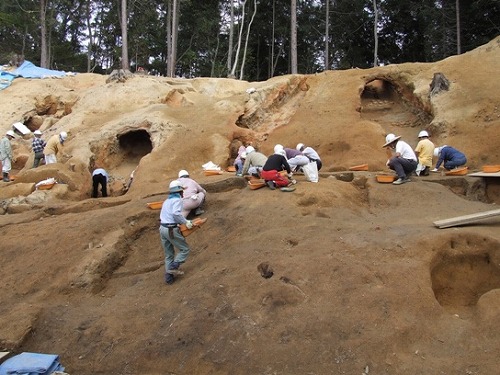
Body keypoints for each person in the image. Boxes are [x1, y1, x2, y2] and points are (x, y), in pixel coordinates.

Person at [159, 180, 194, 285]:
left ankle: (169, 278)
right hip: (171, 229)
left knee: (169, 254)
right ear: (179, 191)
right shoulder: (177, 200)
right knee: (185, 249)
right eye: (182, 191)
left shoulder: (166, 201)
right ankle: (174, 267)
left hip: (162, 228)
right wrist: (185, 222)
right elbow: (175, 214)